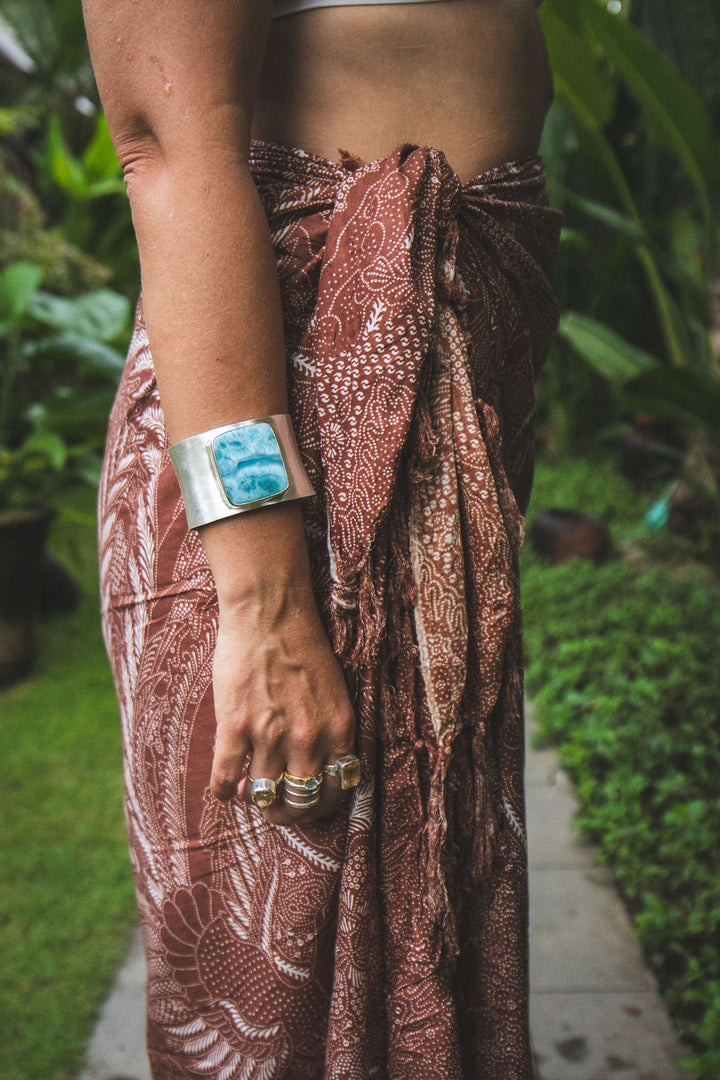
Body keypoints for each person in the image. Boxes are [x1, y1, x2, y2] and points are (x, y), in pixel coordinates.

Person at [84, 0, 562, 1076]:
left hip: (438, 428)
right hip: (286, 477)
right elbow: (167, 144)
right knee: (282, 992)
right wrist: (265, 604)